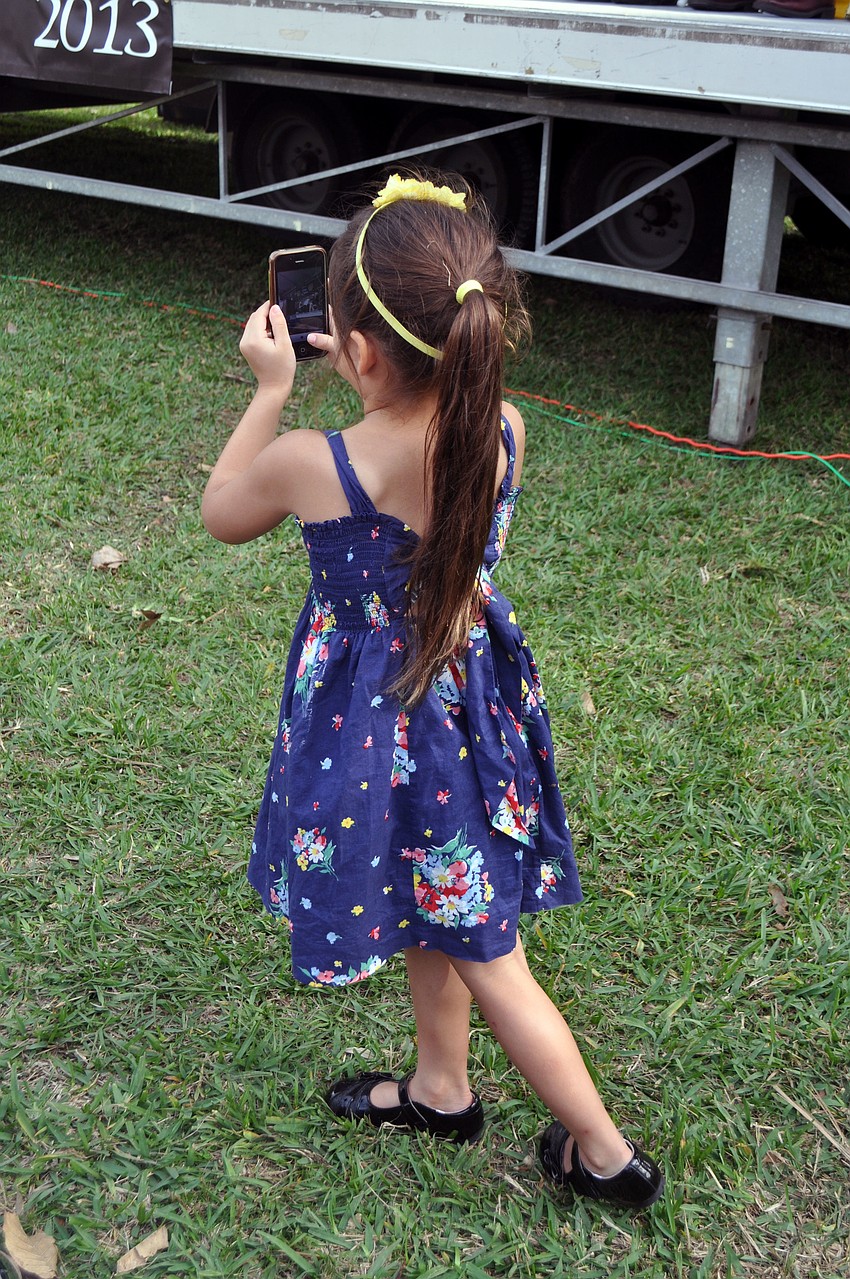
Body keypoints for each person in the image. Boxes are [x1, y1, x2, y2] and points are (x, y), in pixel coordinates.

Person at [202, 172, 664, 1212]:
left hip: (385, 730)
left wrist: (271, 386)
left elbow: (222, 510)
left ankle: (602, 1154)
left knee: (488, 950)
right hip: (469, 702)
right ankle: (441, 1089)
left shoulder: (314, 463)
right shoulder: (501, 425)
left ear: (356, 348)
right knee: (441, 908)